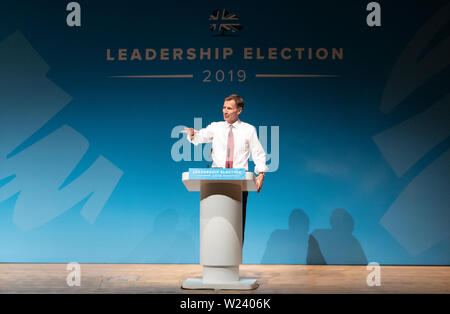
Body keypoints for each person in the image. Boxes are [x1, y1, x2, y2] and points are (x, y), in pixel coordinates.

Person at [181, 94, 268, 244]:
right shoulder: (216, 127)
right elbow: (199, 137)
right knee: (216, 226)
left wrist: (261, 174)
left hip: (239, 183)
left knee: (237, 226)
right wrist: (192, 134)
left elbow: (258, 153)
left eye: (229, 108)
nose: (225, 111)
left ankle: (234, 259)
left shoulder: (249, 130)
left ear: (239, 110)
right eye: (224, 107)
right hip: (216, 181)